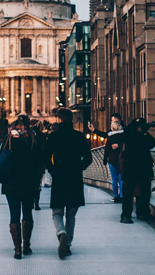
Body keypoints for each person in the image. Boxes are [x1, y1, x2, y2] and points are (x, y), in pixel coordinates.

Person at [45, 108, 92, 259]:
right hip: (75, 178)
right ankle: (68, 245)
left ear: (59, 120)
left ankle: (61, 233)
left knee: (57, 212)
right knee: (71, 214)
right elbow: (88, 158)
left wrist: (53, 171)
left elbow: (45, 157)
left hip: (59, 178)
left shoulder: (53, 137)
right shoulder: (79, 136)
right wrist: (79, 168)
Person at [1, 115, 42, 259]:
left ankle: (17, 250)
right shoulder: (32, 139)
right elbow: (39, 161)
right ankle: (26, 246)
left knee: (14, 214)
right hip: (29, 182)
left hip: (11, 182)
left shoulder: (9, 139)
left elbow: (1, 157)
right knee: (27, 213)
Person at [119, 118, 155, 224]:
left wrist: (144, 132)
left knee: (145, 191)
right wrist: (137, 127)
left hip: (144, 167)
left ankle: (144, 213)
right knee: (128, 192)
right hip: (131, 167)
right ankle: (126, 215)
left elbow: (153, 143)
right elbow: (128, 132)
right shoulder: (129, 134)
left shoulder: (143, 135)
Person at [103, 118, 125, 202]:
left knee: (114, 179)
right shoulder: (123, 136)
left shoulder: (110, 137)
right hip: (121, 159)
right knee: (121, 179)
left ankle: (116, 196)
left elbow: (107, 149)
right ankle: (122, 196)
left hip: (112, 159)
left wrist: (105, 160)